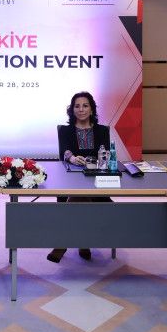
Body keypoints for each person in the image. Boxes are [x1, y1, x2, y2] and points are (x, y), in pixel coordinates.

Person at [49, 91, 111, 263]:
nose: (81, 109)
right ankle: (84, 243)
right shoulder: (65, 130)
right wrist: (72, 158)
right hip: (70, 179)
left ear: (91, 109)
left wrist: (94, 160)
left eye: (85, 106)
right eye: (77, 106)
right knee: (79, 193)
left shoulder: (102, 130)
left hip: (96, 180)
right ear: (72, 109)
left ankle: (62, 243)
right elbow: (65, 151)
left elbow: (105, 154)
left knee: (81, 195)